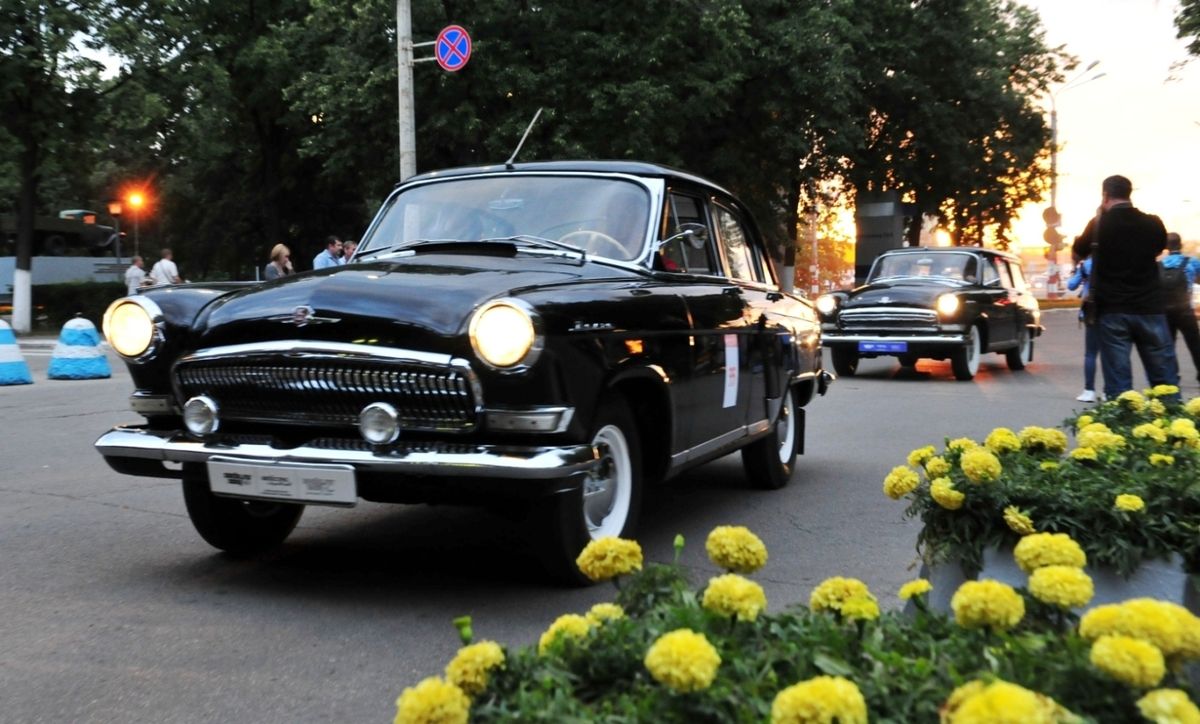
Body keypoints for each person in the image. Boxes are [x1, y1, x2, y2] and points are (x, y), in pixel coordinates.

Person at [1071, 175, 1178, 398]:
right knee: (1164, 381)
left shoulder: (1099, 225)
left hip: (1112, 311)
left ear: (1105, 196)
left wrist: (1100, 217)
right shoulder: (1153, 223)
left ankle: (1122, 428)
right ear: (1130, 194)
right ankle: (1174, 427)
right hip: (1150, 309)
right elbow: (1159, 249)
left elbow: (1078, 251)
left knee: (1119, 385)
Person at [1160, 231, 1200, 383]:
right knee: (1195, 343)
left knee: (1168, 345)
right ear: (1181, 245)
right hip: (1185, 310)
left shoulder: (1160, 264)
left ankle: (1173, 375)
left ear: (1166, 247)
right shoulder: (1192, 262)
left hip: (1165, 311)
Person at [1066, 255, 1099, 402]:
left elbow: (1071, 285)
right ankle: (1109, 391)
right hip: (1112, 311)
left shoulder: (1086, 264)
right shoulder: (1113, 259)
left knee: (1091, 353)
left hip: (1091, 311)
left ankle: (1089, 390)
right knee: (1110, 353)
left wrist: (1077, 271)